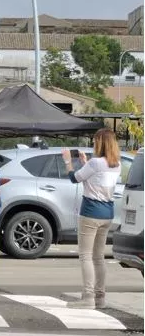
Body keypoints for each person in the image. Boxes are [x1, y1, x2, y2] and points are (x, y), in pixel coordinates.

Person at [61, 129, 122, 309]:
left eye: (95, 141)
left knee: (85, 256)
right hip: (107, 213)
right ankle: (100, 298)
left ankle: (87, 297)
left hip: (90, 212)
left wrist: (68, 162)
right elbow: (97, 180)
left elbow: (75, 178)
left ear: (100, 143)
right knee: (98, 257)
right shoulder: (116, 164)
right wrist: (85, 163)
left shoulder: (95, 163)